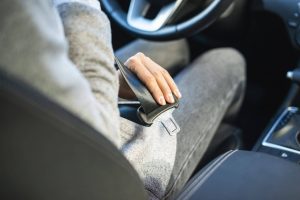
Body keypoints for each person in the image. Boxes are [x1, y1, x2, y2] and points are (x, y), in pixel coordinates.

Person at [0, 0, 246, 199]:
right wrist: (81, 6)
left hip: (49, 128)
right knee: (227, 61)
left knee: (172, 45)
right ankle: (219, 144)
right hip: (121, 177)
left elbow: (34, 75)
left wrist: (112, 79)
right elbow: (95, 141)